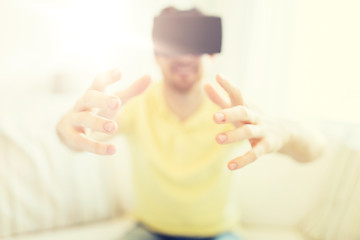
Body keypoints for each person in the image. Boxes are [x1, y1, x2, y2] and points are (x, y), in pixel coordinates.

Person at [56, 7, 325, 240]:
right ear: (156, 55)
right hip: (149, 230)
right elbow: (80, 136)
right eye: (173, 45)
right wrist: (71, 128)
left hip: (217, 232)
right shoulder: (137, 105)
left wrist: (284, 133)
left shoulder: (232, 109)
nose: (184, 57)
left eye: (195, 45)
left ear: (211, 54)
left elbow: (316, 149)